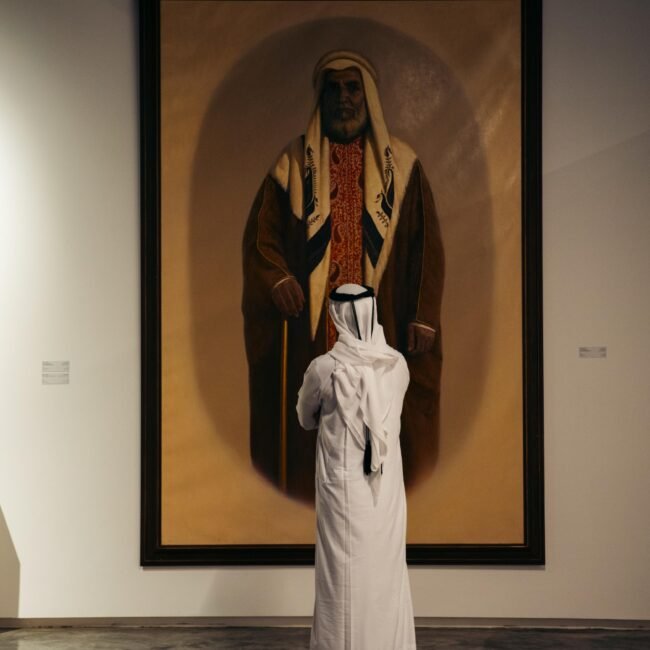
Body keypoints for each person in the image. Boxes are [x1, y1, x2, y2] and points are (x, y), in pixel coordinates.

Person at [242, 50, 444, 502]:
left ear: (368, 96)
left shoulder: (403, 166)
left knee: (381, 439)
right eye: (333, 89)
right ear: (321, 97)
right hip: (314, 334)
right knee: (316, 436)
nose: (343, 98)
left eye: (353, 88)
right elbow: (260, 238)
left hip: (382, 328)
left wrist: (424, 314)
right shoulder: (292, 163)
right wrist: (278, 279)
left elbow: (427, 248)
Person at [297, 283, 416, 650]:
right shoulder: (397, 364)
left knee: (343, 572)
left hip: (342, 485)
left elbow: (305, 417)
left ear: (336, 316)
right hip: (384, 485)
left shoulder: (325, 369)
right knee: (383, 567)